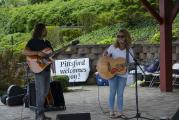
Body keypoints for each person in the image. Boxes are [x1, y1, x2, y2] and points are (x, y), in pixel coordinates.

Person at [22, 23, 52, 120]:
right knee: (40, 92)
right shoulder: (33, 41)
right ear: (40, 30)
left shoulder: (47, 42)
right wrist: (37, 53)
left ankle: (40, 114)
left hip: (47, 69)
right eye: (44, 29)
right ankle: (39, 115)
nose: (46, 31)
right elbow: (25, 52)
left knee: (45, 92)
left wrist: (55, 56)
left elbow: (51, 56)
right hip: (38, 69)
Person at [103, 29, 134, 118]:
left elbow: (131, 63)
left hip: (123, 74)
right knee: (112, 92)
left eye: (122, 36)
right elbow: (106, 58)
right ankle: (111, 111)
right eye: (118, 36)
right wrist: (106, 56)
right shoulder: (112, 47)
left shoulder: (129, 50)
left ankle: (120, 112)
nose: (120, 38)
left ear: (126, 37)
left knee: (120, 94)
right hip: (112, 73)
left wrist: (125, 66)